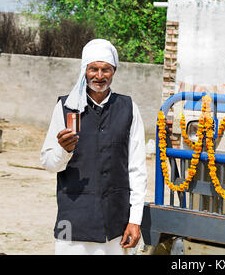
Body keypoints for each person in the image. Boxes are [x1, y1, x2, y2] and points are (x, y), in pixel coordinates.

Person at [40, 39, 147, 255]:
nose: (99, 76)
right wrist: (64, 150)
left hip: (115, 225)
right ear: (84, 70)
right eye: (93, 69)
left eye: (105, 69)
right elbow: (49, 163)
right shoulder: (66, 108)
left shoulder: (128, 108)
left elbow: (137, 169)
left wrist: (135, 220)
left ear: (113, 71)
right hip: (75, 224)